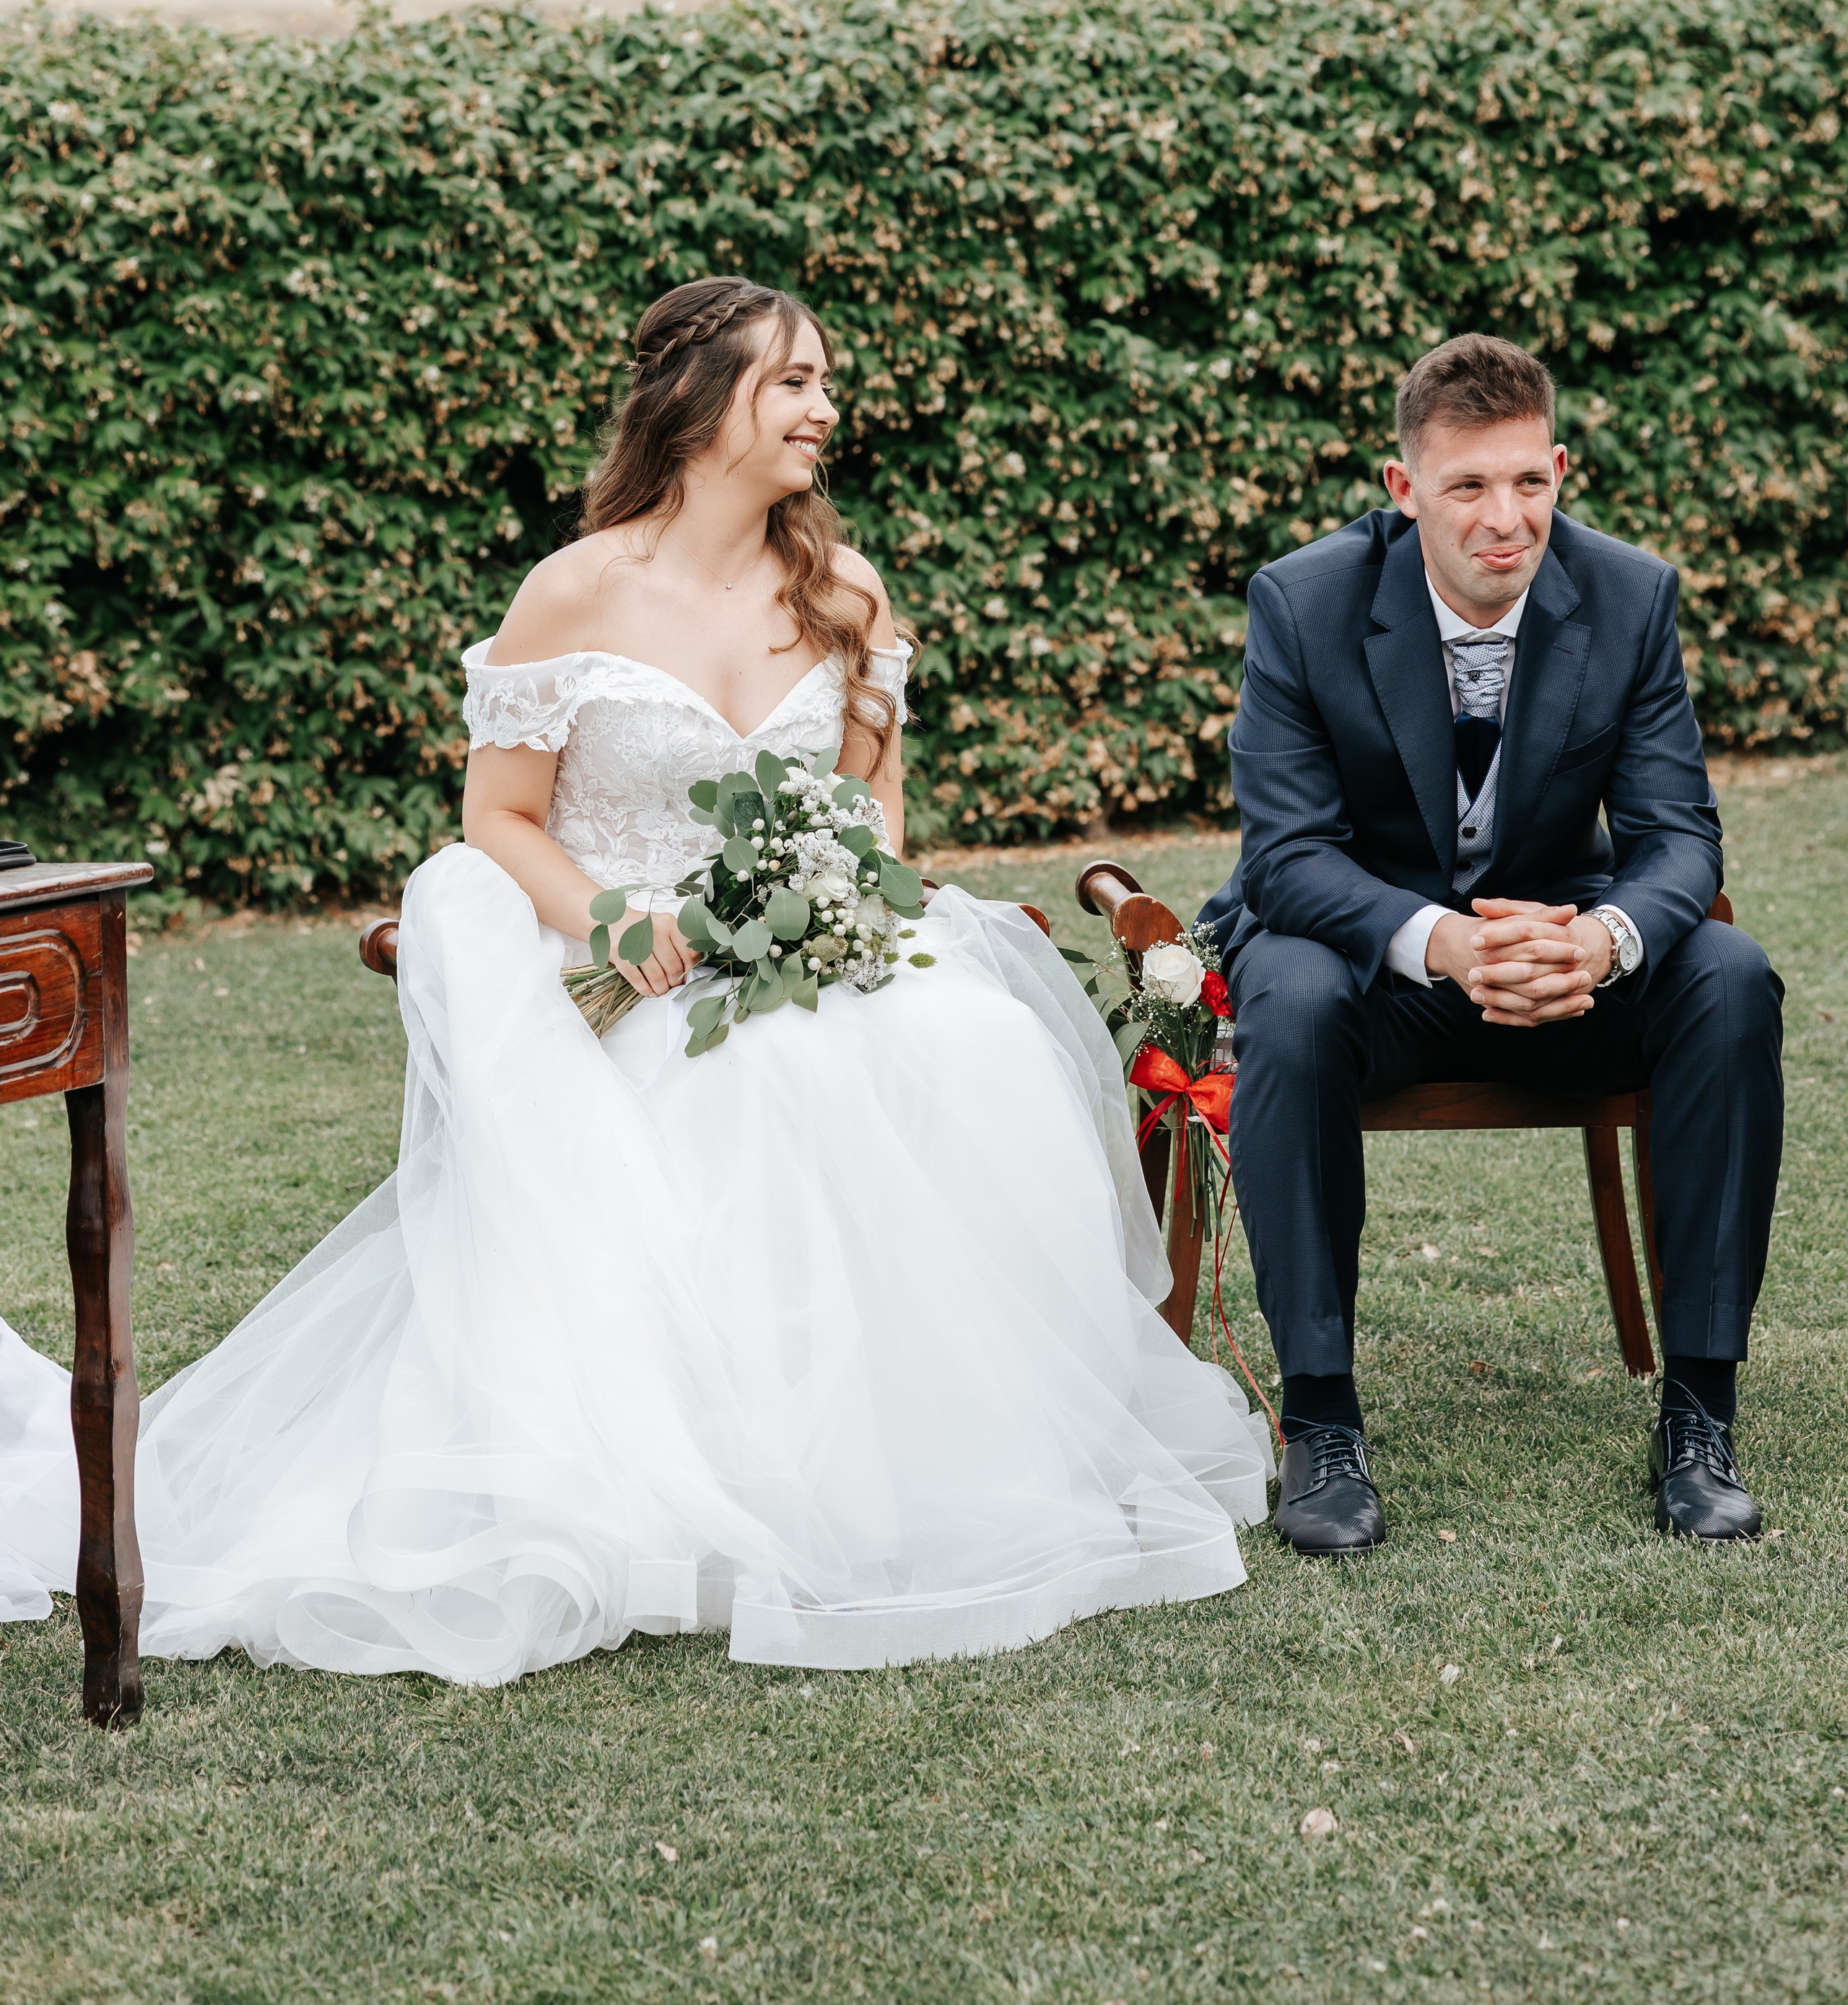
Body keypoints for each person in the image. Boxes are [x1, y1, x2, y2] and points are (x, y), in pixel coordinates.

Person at [0, 278, 1268, 1682]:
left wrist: (832, 899)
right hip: (619, 957)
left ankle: (907, 1462)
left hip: (805, 940)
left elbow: (872, 808)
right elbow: (498, 821)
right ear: (695, 400)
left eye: (820, 382)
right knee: (747, 1076)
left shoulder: (843, 594)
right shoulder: (577, 588)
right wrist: (606, 918)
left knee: (964, 1040)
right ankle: (693, 1479)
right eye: (791, 381)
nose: (822, 410)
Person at [1200, 333, 1782, 1556]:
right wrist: (1445, 942)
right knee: (1291, 995)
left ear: (1560, 467)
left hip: (1564, 965)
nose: (1505, 518)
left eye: (1529, 481)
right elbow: (1287, 857)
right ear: (1405, 488)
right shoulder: (1301, 602)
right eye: (1468, 486)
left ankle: (1700, 1414)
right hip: (1380, 973)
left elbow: (1679, 835)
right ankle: (1320, 1420)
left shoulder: (1629, 596)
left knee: (1729, 978)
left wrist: (1605, 943)